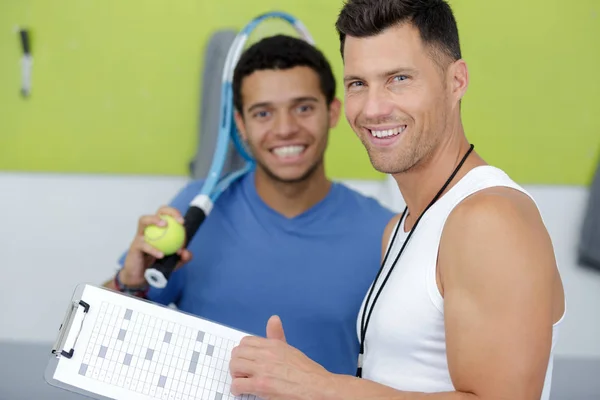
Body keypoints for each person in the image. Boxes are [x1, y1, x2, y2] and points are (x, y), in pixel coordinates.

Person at [228, 1, 566, 399]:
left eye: (399, 79)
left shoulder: (489, 219)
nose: (373, 108)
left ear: (456, 81)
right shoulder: (402, 228)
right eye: (358, 83)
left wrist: (319, 387)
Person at [103, 34, 394, 376]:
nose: (285, 129)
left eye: (303, 108)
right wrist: (129, 281)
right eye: (263, 113)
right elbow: (108, 343)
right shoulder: (193, 215)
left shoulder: (386, 233)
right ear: (240, 124)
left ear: (332, 112)